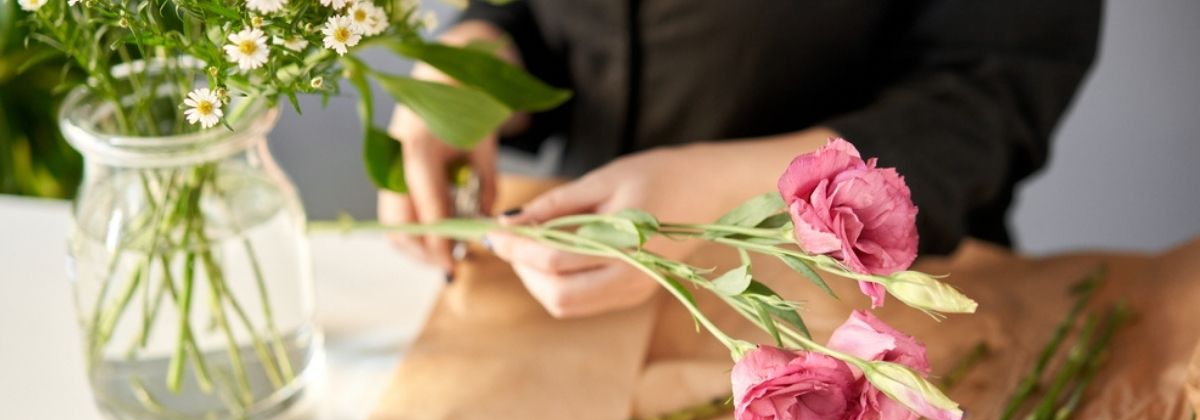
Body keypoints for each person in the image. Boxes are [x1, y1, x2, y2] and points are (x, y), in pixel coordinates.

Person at [379, 0, 1101, 318]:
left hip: (857, 309)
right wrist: (479, 61)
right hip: (575, 286)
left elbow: (999, 81)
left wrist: (733, 197)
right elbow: (536, 13)